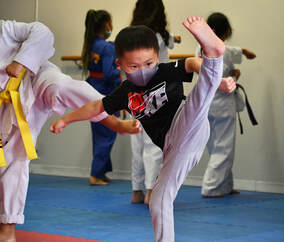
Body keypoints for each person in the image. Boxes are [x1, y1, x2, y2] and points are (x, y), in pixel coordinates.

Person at [50, 16, 235, 242]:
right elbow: (96, 107)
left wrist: (214, 75)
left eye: (148, 63)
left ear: (157, 58)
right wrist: (67, 119)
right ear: (119, 65)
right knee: (158, 199)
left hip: (183, 121)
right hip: (172, 148)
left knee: (199, 100)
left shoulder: (164, 71)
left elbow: (190, 63)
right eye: (134, 66)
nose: (143, 70)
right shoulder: (125, 92)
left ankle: (213, 54)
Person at [0, 20, 141, 242]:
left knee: (62, 87)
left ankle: (114, 122)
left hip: (34, 77)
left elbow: (43, 31)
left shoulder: (4, 28)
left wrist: (19, 62)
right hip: (5, 102)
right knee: (11, 160)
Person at [129, 0, 181, 205]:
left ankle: (136, 191)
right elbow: (167, 44)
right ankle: (151, 190)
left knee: (137, 142)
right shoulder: (159, 36)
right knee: (153, 143)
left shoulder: (131, 37)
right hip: (156, 91)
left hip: (135, 91)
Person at [199, 12, 256, 198]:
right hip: (221, 104)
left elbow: (230, 50)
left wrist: (244, 52)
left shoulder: (201, 48)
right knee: (224, 148)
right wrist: (235, 76)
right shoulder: (219, 51)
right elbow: (219, 80)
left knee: (216, 147)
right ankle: (211, 187)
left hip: (206, 105)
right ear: (227, 31)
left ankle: (225, 185)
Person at [82, 10, 121, 186]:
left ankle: (101, 172)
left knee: (101, 133)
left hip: (92, 90)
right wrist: (124, 69)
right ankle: (95, 175)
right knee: (107, 133)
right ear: (106, 24)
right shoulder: (107, 47)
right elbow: (109, 74)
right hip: (104, 91)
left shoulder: (92, 45)